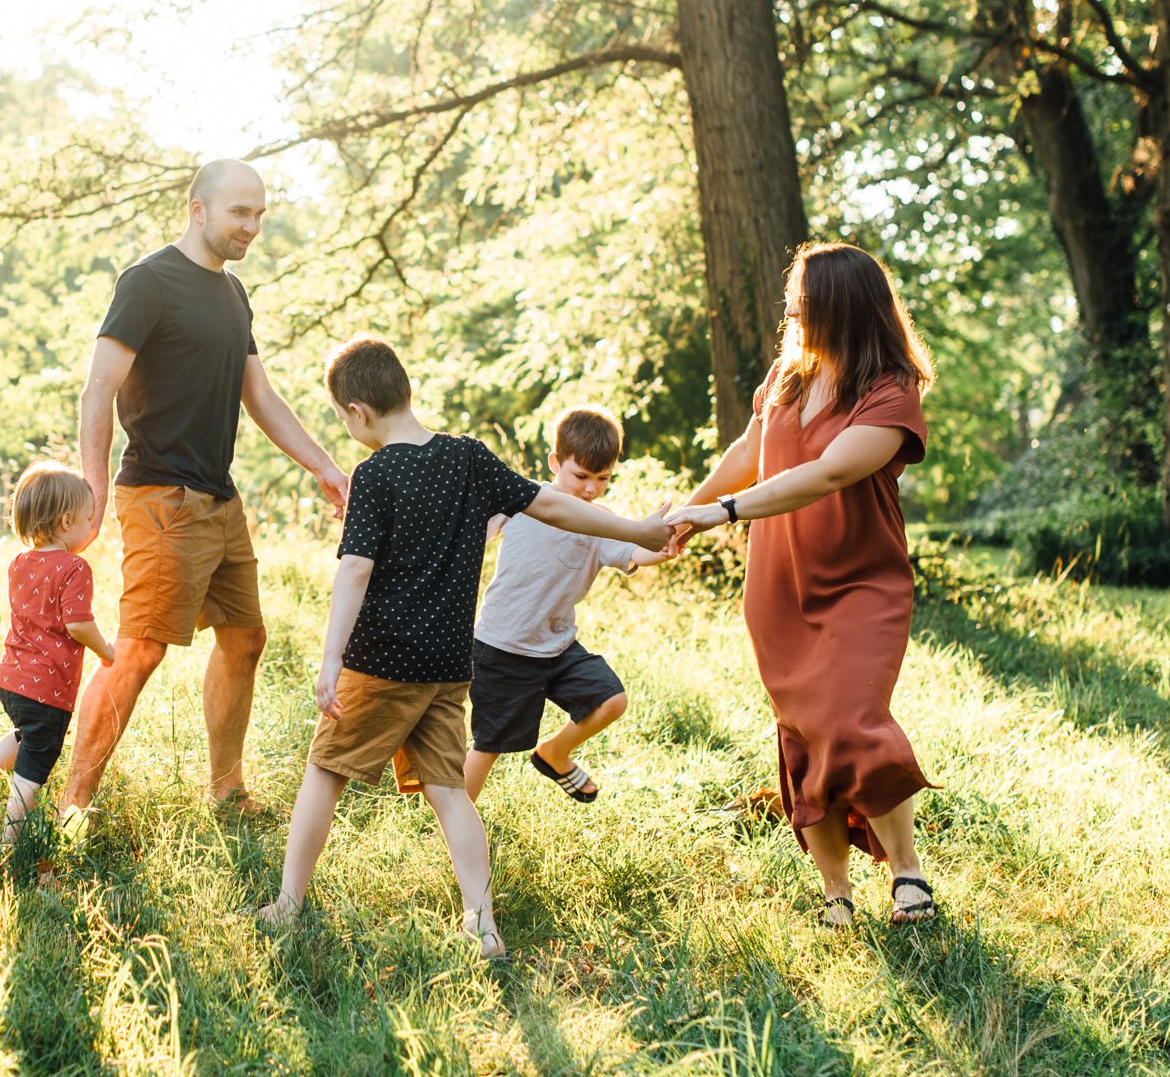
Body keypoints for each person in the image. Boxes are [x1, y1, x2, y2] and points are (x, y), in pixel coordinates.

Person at [253, 337, 673, 958]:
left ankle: (287, 905)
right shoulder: (468, 459)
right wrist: (636, 527)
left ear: (355, 412)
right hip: (450, 665)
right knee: (448, 789)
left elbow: (355, 571)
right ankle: (482, 923)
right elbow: (555, 506)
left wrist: (329, 658)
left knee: (324, 773)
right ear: (408, 393)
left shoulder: (373, 475)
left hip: (381, 660)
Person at [62, 159, 350, 819]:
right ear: (198, 210)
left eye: (259, 215)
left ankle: (226, 789)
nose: (251, 226)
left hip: (219, 498)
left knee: (245, 638)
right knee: (139, 648)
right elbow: (98, 388)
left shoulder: (233, 295)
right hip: (160, 493)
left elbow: (261, 395)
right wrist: (95, 486)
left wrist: (326, 466)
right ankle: (72, 806)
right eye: (239, 213)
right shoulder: (149, 281)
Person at [667, 241, 939, 928]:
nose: (788, 310)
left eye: (803, 301)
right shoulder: (789, 374)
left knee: (851, 720)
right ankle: (837, 894)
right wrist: (687, 516)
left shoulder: (889, 388)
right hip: (779, 585)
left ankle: (907, 872)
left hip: (861, 584)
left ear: (842, 309)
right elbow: (748, 450)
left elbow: (827, 473)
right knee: (804, 736)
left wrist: (723, 511)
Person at [465, 404, 678, 804]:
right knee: (489, 744)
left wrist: (663, 548)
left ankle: (554, 752)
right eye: (580, 476)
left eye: (603, 478)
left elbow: (635, 551)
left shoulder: (603, 522)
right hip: (502, 646)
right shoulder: (524, 500)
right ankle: (453, 825)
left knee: (611, 700)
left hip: (557, 645)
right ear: (555, 463)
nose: (591, 489)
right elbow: (471, 534)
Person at [0, 461, 116, 840]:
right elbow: (77, 624)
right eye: (88, 520)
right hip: (47, 689)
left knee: (27, 734)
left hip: (12, 680)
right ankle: (14, 841)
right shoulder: (75, 567)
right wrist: (105, 649)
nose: (92, 528)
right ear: (65, 522)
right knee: (37, 760)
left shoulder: (20, 563)